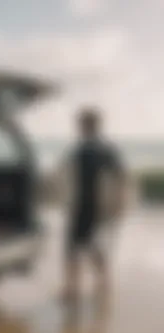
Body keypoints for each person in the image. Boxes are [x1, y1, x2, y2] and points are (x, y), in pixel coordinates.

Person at [55, 108, 128, 302]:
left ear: (88, 125)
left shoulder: (93, 149)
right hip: (86, 205)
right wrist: (119, 204)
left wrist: (119, 204)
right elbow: (121, 176)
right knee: (84, 246)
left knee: (78, 247)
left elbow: (120, 177)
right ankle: (94, 284)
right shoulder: (90, 148)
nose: (79, 127)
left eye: (82, 124)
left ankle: (77, 288)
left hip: (89, 205)